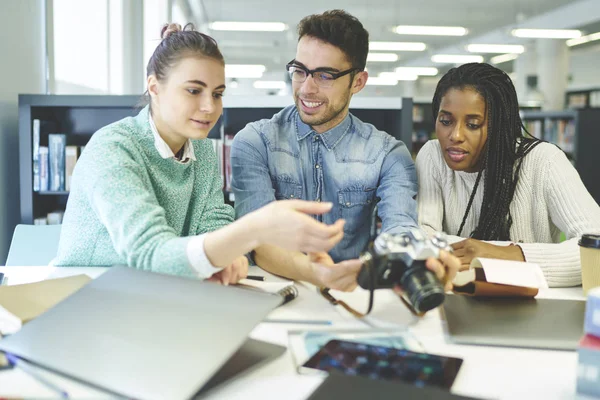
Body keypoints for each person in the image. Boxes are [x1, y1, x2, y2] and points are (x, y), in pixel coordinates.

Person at [54, 23, 345, 285]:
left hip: (160, 289)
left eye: (217, 94)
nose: (210, 107)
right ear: (154, 87)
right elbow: (149, 252)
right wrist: (254, 229)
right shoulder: (112, 148)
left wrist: (228, 256)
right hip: (88, 293)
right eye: (194, 91)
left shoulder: (201, 146)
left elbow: (212, 220)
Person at [231, 10, 459, 292]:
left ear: (358, 82)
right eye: (300, 71)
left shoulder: (388, 154)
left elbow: (400, 225)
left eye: (325, 75)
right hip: (272, 293)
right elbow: (259, 240)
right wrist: (320, 275)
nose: (306, 88)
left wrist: (419, 260)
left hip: (352, 293)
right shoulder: (254, 142)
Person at [416, 62, 600, 287]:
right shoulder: (432, 155)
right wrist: (476, 252)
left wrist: (510, 255)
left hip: (533, 311)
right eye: (446, 121)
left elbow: (595, 247)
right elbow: (421, 238)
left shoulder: (544, 161)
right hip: (458, 304)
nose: (455, 135)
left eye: (473, 124)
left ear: (499, 126)